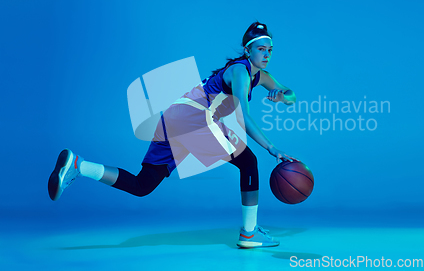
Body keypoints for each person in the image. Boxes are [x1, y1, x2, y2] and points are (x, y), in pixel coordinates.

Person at [48, 21, 299, 248]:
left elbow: (289, 93)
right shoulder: (240, 72)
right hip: (195, 118)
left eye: (270, 49)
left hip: (174, 116)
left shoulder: (261, 76)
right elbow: (242, 117)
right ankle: (248, 233)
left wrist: (282, 97)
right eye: (261, 49)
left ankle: (78, 165)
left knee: (142, 185)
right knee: (249, 161)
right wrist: (271, 147)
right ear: (248, 50)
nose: (266, 54)